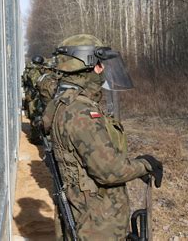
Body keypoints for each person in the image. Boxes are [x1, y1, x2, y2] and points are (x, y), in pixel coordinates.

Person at [43, 34, 163, 240]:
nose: (103, 70)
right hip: (96, 224)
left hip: (82, 214)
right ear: (88, 65)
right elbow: (110, 171)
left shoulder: (62, 103)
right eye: (100, 64)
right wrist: (146, 164)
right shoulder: (80, 112)